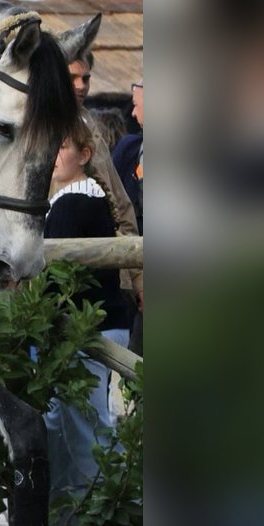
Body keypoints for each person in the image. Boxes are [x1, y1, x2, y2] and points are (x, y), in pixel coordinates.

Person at [44, 129, 135, 526]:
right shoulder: (77, 197)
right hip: (84, 329)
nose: (54, 155)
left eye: (63, 147)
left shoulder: (73, 201)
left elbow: (47, 276)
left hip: (85, 331)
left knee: (86, 432)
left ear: (85, 154)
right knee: (66, 430)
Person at [68, 52, 143, 317]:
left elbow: (120, 206)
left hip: (109, 277)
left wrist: (136, 277)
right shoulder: (34, 127)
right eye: (72, 77)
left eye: (86, 78)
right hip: (59, 280)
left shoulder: (88, 126)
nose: (81, 85)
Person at [112, 82, 144, 354]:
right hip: (131, 288)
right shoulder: (128, 149)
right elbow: (116, 209)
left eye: (137, 105)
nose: (133, 114)